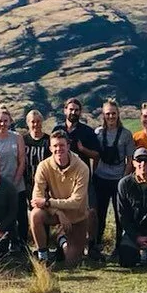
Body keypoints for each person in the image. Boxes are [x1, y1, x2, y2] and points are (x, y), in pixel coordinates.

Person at [29, 130, 90, 266]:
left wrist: (48, 202)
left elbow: (76, 202)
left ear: (68, 146)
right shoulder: (44, 166)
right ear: (50, 148)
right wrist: (57, 212)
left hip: (77, 216)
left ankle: (61, 239)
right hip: (56, 213)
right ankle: (43, 255)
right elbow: (36, 198)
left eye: (62, 145)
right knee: (35, 215)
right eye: (55, 146)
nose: (58, 149)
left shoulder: (82, 168)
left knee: (71, 263)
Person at [54, 97, 102, 259]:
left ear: (80, 112)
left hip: (83, 177)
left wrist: (83, 149)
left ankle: (92, 245)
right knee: (61, 211)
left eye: (76, 110)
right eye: (71, 109)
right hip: (61, 179)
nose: (73, 112)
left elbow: (97, 155)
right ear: (65, 110)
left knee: (92, 211)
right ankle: (63, 244)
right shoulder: (58, 129)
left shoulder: (87, 131)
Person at [93, 99, 134, 259]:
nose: (111, 116)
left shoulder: (126, 134)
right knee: (99, 215)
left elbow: (130, 160)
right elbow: (95, 156)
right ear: (103, 115)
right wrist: (94, 173)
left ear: (118, 115)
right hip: (100, 178)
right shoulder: (98, 133)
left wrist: (124, 179)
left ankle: (119, 248)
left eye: (113, 113)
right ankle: (96, 246)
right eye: (108, 113)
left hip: (119, 179)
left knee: (120, 216)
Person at [0, 105, 27, 251]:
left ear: (10, 122)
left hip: (17, 184)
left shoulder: (17, 138)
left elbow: (22, 161)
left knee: (20, 215)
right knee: (4, 217)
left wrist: (15, 183)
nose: (2, 124)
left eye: (5, 121)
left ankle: (22, 243)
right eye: (0, 121)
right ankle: (5, 243)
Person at [23, 109, 51, 196]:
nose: (36, 124)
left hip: (45, 183)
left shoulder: (48, 140)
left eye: (38, 121)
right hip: (27, 182)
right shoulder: (23, 140)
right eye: (33, 122)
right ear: (28, 123)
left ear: (42, 122)